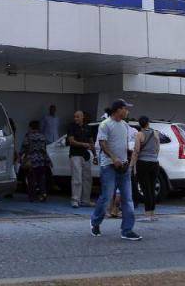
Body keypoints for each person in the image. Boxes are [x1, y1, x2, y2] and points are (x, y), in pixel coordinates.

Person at [89, 99, 141, 241]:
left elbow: (124, 143)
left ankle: (127, 230)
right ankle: (95, 222)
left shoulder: (124, 125)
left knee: (128, 199)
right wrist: (113, 158)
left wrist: (128, 156)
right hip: (109, 166)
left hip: (123, 167)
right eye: (125, 108)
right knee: (106, 197)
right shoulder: (105, 124)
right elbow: (102, 143)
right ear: (118, 110)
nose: (127, 111)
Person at [132, 115, 160, 221]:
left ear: (140, 124)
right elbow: (158, 148)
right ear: (148, 123)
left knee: (145, 189)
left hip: (143, 163)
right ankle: (152, 214)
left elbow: (136, 150)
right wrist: (153, 157)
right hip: (154, 163)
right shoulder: (155, 133)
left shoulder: (139, 134)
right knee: (152, 188)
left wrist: (132, 165)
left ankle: (147, 215)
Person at [66, 111, 93, 208]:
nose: (75, 118)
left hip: (86, 155)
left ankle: (86, 200)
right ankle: (75, 200)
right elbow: (71, 141)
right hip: (75, 154)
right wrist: (83, 144)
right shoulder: (71, 127)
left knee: (87, 179)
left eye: (77, 117)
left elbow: (91, 141)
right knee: (77, 178)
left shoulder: (88, 127)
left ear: (82, 117)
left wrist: (95, 154)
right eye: (74, 117)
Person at [20, 120, 51, 202]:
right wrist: (48, 160)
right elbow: (44, 149)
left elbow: (23, 148)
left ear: (30, 127)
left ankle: (32, 197)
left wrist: (20, 156)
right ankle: (43, 194)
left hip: (32, 160)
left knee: (31, 179)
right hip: (41, 160)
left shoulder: (28, 136)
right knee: (41, 178)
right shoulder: (42, 136)